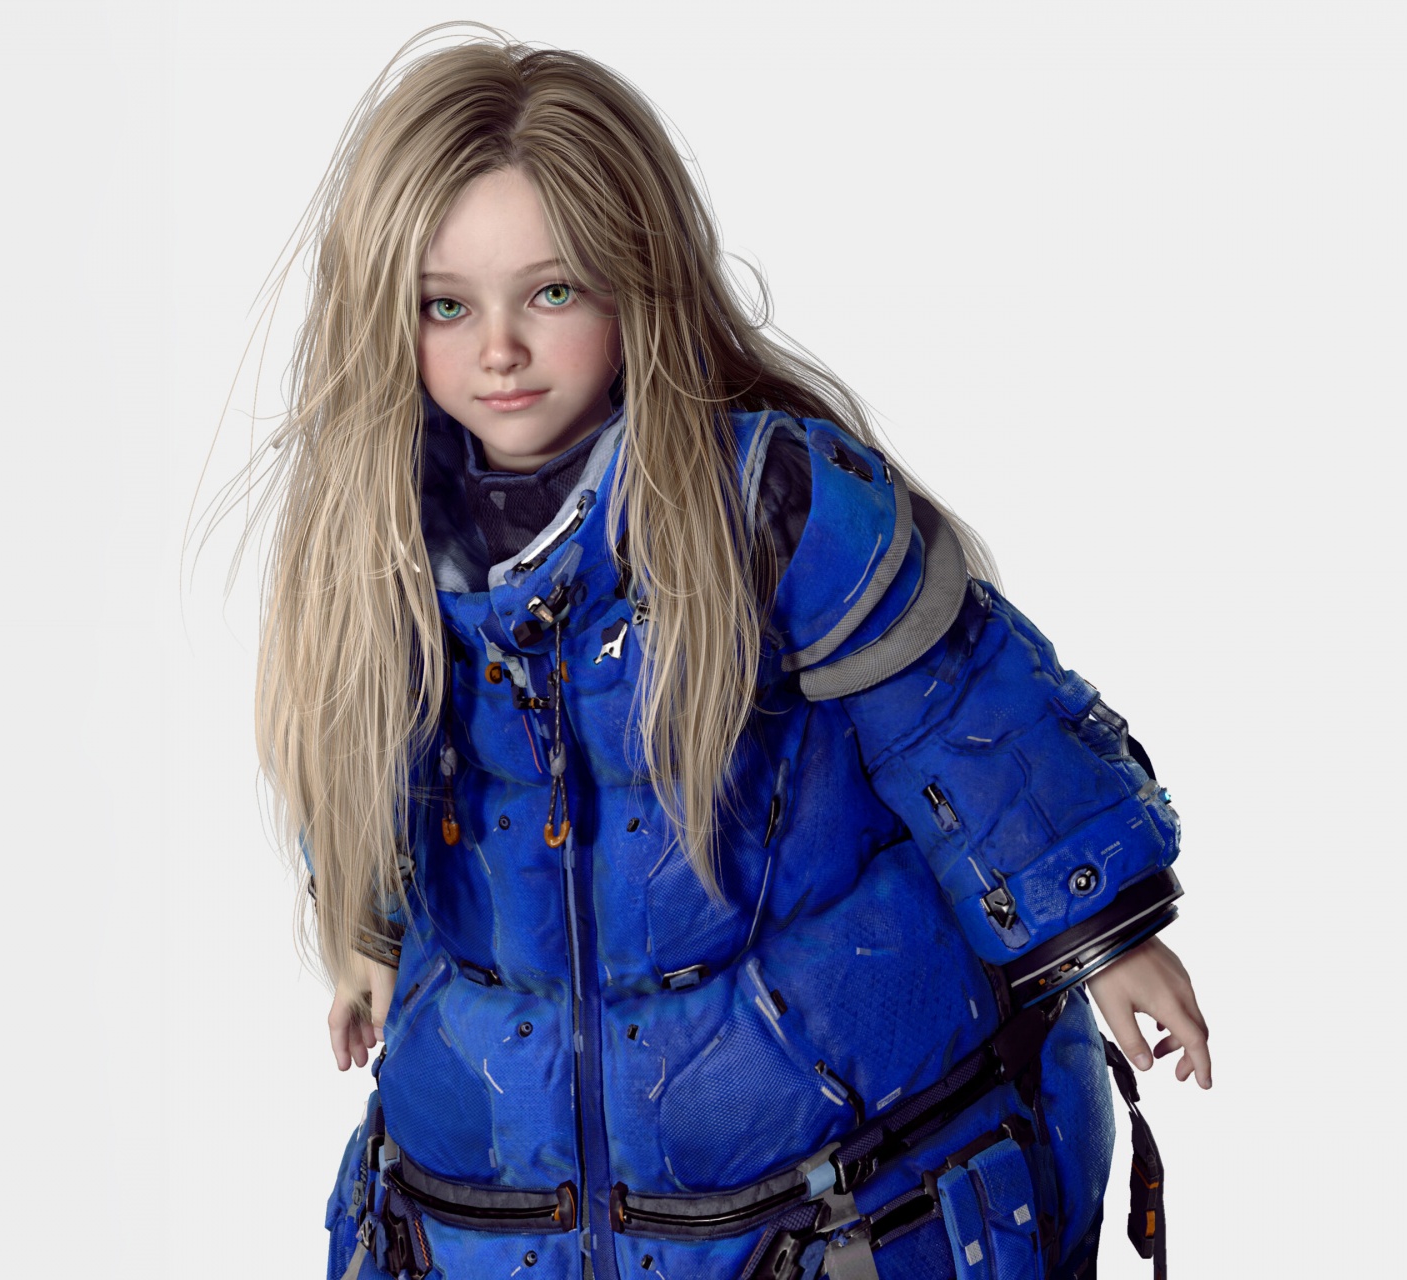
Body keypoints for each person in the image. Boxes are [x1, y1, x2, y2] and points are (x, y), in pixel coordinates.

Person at [240, 26, 1212, 1280]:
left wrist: (1103, 931)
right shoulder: (372, 547)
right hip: (517, 1205)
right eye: (446, 305)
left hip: (834, 1187)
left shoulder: (772, 503)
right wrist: (369, 929)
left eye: (552, 291)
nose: (500, 348)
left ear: (634, 282)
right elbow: (366, 769)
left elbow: (959, 710)